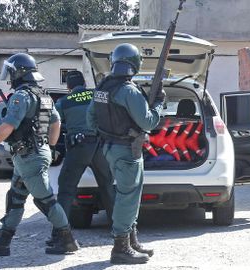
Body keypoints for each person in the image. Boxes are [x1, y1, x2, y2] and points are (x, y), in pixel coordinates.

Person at [0, 53, 79, 256]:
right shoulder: (44, 95)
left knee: (45, 200)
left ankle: (68, 240)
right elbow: (56, 122)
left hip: (28, 157)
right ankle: (3, 242)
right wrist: (49, 146)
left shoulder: (21, 96)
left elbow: (7, 126)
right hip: (33, 155)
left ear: (19, 73)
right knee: (16, 198)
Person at [87, 43, 164, 264]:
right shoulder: (128, 90)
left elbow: (90, 119)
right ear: (135, 63)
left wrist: (108, 136)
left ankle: (132, 241)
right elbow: (148, 122)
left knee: (129, 194)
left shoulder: (103, 88)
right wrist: (158, 103)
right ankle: (121, 248)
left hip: (110, 148)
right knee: (127, 197)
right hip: (127, 150)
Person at [50, 71, 114, 245]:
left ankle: (59, 232)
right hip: (100, 146)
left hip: (78, 147)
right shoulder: (97, 95)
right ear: (85, 83)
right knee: (107, 186)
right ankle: (119, 230)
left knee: (66, 188)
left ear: (68, 87)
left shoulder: (64, 102)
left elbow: (55, 123)